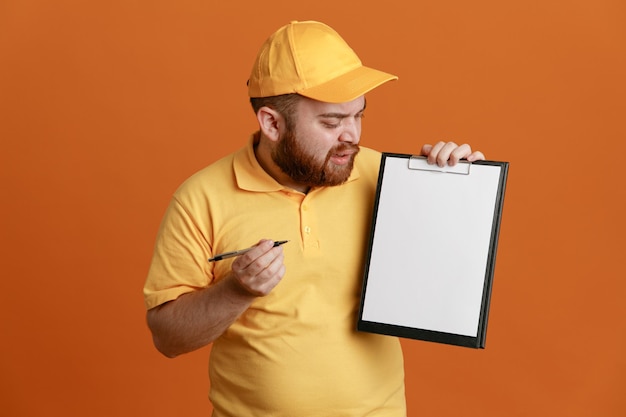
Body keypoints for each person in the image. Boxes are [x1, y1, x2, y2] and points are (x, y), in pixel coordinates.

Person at [144, 20, 485, 417]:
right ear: (272, 123)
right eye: (331, 122)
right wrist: (237, 290)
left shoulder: (386, 178)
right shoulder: (200, 198)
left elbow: (445, 275)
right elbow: (168, 338)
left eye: (358, 115)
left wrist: (459, 188)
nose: (352, 135)